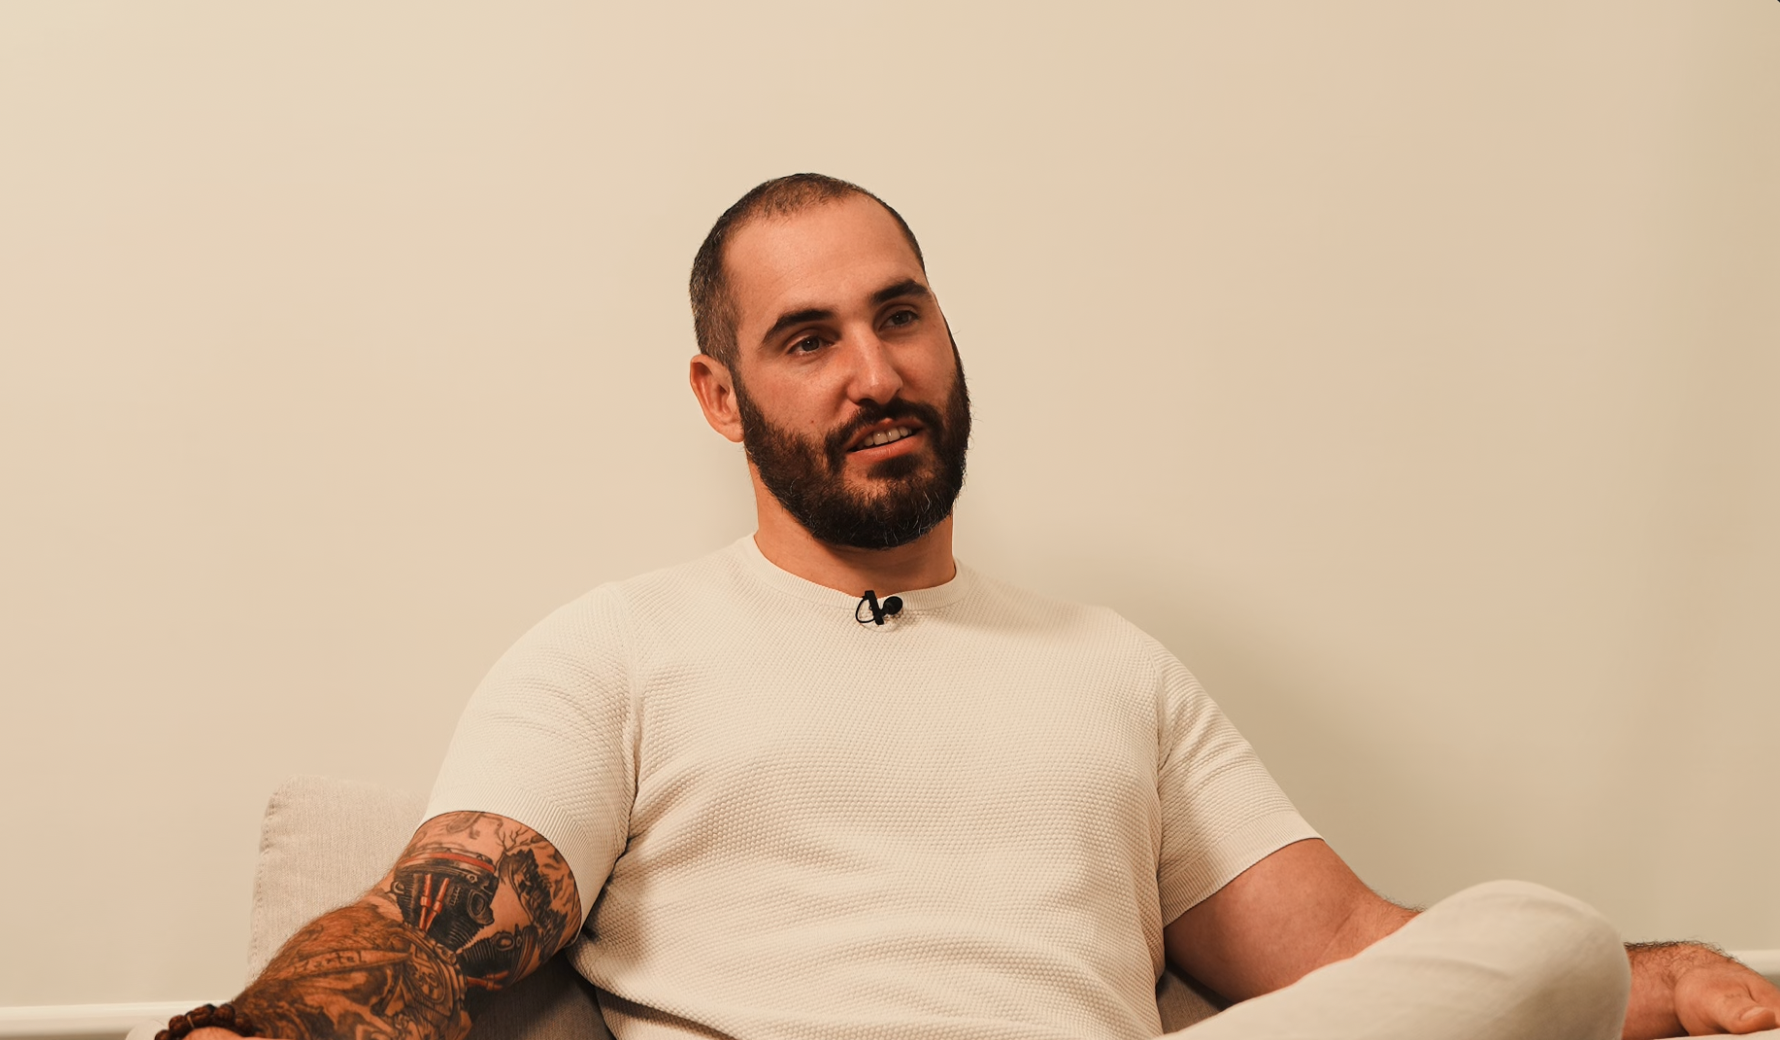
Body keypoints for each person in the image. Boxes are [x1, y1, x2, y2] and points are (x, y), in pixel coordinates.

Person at [174, 174, 1780, 1040]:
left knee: (1542, 934)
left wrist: (1646, 973)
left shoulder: (1111, 667)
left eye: (900, 314)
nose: (874, 372)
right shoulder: (622, 645)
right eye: (807, 340)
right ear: (721, 399)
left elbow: (1350, 957)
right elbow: (446, 921)